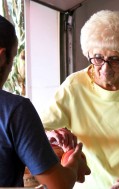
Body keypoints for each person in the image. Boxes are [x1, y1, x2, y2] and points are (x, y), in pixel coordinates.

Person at [41, 10, 119, 189]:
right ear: (88, 53)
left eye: (114, 60)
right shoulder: (74, 85)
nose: (105, 69)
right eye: (97, 58)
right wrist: (52, 135)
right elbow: (38, 129)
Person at [0, 15, 90, 188]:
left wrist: (42, 137)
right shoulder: (15, 110)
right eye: (13, 60)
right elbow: (59, 184)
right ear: (3, 57)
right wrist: (73, 162)